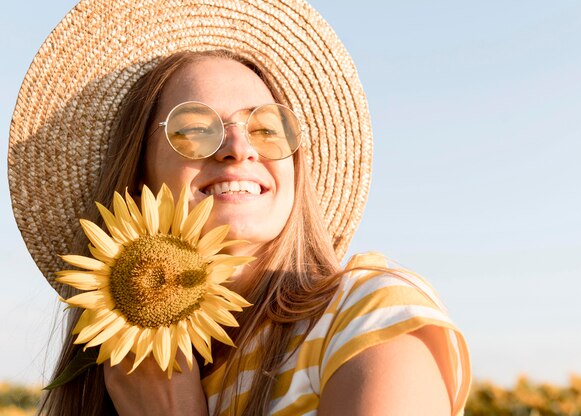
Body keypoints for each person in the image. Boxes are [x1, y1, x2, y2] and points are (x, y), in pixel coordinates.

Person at [8, 1, 471, 415]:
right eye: (194, 127)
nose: (239, 148)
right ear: (138, 173)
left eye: (267, 127)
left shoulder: (367, 316)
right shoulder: (113, 380)